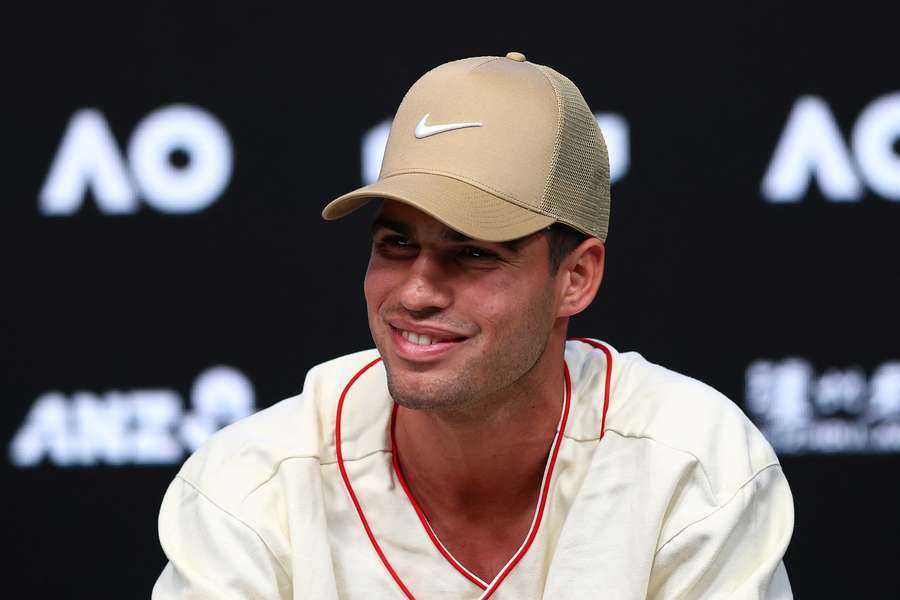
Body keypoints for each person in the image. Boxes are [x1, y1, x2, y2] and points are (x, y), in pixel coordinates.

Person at [152, 52, 794, 599]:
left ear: (576, 277)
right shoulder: (252, 487)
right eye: (397, 244)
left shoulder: (690, 465)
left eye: (474, 253)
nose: (417, 292)